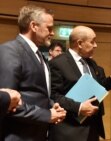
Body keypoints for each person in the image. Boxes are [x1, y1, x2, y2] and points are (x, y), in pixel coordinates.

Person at [0, 5, 66, 141]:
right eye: (49, 28)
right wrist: (47, 115)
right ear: (34, 26)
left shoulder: (40, 54)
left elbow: (35, 91)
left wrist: (51, 104)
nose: (53, 33)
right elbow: (7, 104)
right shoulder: (10, 51)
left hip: (38, 134)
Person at [48, 25, 111, 141]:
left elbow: (96, 88)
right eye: (92, 41)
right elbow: (54, 96)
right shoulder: (58, 64)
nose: (96, 45)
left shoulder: (91, 63)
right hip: (69, 131)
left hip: (92, 128)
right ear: (79, 43)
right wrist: (79, 107)